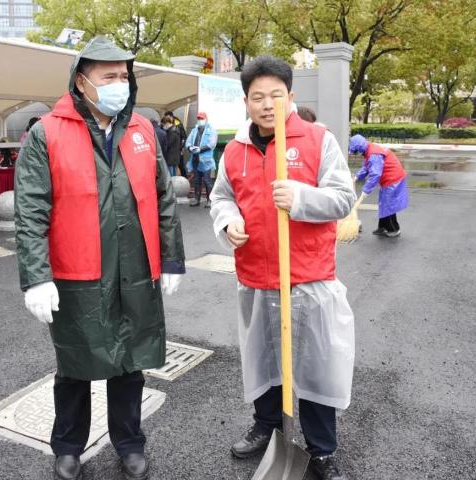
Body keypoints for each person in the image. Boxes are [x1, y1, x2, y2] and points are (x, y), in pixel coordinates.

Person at [14, 36, 185, 480]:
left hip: (134, 269)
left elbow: (163, 199)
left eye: (124, 76)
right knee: (75, 364)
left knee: (129, 362)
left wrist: (171, 259)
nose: (119, 84)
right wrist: (36, 277)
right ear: (81, 81)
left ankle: (129, 442)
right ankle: (68, 446)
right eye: (108, 77)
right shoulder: (47, 133)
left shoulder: (142, 130)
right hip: (78, 273)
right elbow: (30, 210)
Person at [210, 56, 356, 480]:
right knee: (264, 360)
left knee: (314, 367)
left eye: (276, 95)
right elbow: (221, 197)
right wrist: (228, 221)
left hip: (307, 277)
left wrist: (302, 198)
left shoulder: (317, 139)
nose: (266, 104)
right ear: (246, 101)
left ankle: (321, 449)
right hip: (256, 277)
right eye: (257, 97)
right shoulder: (235, 150)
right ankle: (267, 426)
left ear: (290, 96)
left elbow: (343, 197)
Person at [349, 134, 409, 237]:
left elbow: (375, 174)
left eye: (356, 151)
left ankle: (394, 229)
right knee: (384, 203)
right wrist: (357, 177)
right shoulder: (369, 149)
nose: (356, 154)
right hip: (390, 178)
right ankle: (383, 227)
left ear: (360, 148)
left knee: (388, 205)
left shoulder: (373, 154)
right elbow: (367, 166)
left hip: (393, 179)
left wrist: (365, 191)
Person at [186, 112, 218, 208]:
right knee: (196, 180)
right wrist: (190, 148)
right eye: (199, 118)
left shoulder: (211, 130)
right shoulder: (194, 130)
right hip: (195, 158)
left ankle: (210, 200)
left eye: (202, 118)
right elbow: (188, 141)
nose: (200, 120)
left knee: (207, 180)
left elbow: (212, 144)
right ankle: (197, 199)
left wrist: (201, 149)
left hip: (206, 161)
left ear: (206, 119)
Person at [164, 110, 187, 176]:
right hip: (173, 150)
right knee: (175, 166)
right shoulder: (170, 124)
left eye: (168, 117)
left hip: (178, 148)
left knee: (180, 165)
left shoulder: (177, 123)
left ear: (171, 117)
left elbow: (184, 137)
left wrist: (181, 148)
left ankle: (185, 178)